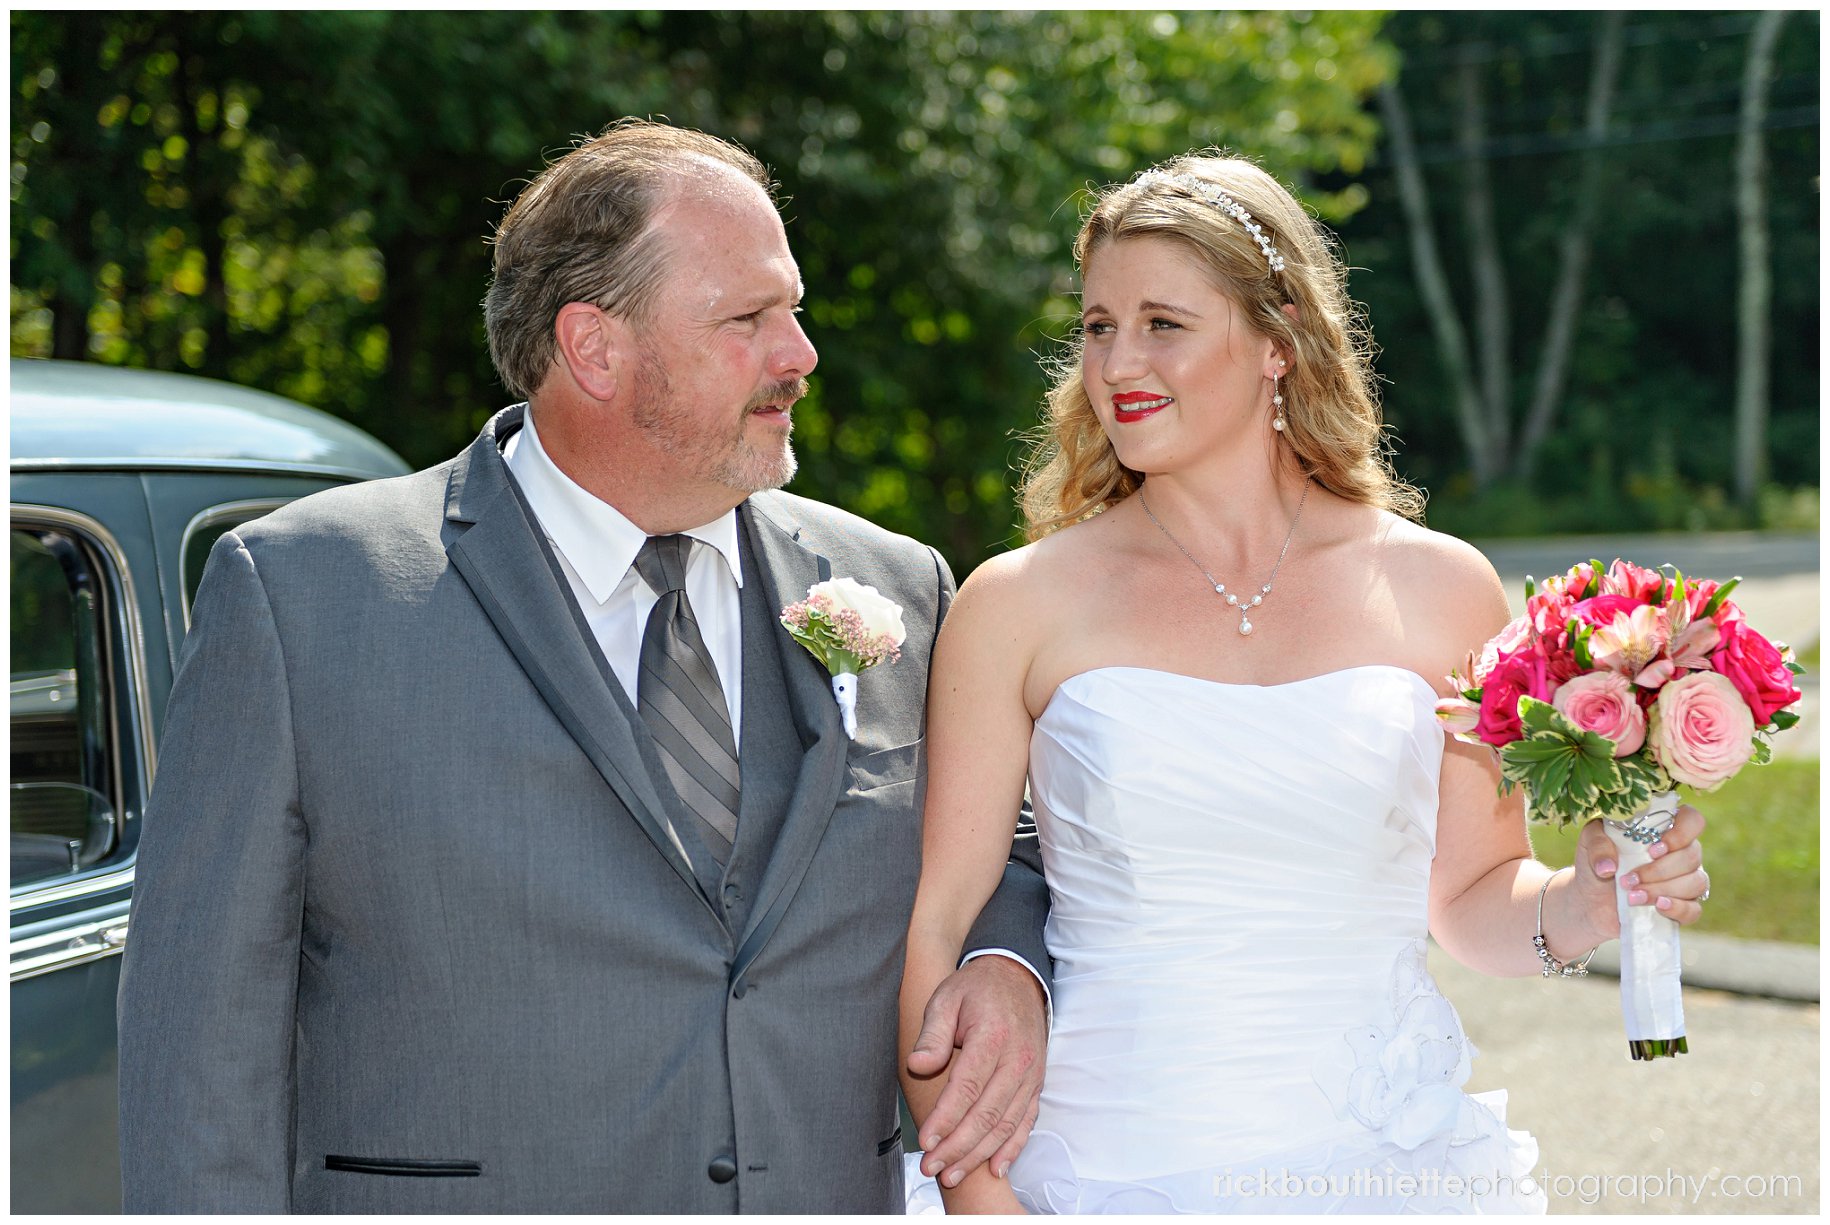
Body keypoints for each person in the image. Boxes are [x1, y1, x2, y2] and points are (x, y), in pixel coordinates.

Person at [116, 119, 1051, 1213]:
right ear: (595, 348)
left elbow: (1007, 848)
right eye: (749, 319)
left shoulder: (899, 584)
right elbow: (198, 1046)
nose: (799, 355)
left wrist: (1005, 963)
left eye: (790, 309)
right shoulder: (304, 597)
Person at [899, 154, 1711, 1214]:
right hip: (1096, 1172)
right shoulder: (1015, 603)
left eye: (1163, 323)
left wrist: (1586, 900)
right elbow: (935, 929)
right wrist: (977, 1193)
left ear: (1278, 341)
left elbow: (1471, 904)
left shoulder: (1441, 587)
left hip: (1388, 1169)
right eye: (1097, 325)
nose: (1116, 362)